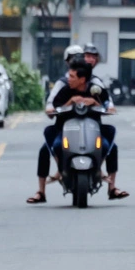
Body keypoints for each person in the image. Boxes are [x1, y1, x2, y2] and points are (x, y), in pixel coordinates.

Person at [29, 59, 127, 202]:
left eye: (72, 77)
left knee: (109, 146)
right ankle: (41, 191)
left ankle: (111, 187)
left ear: (82, 79)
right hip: (65, 131)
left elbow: (110, 107)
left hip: (93, 131)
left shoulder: (96, 90)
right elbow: (52, 109)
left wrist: (94, 102)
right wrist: (71, 101)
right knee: (52, 146)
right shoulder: (64, 89)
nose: (69, 79)